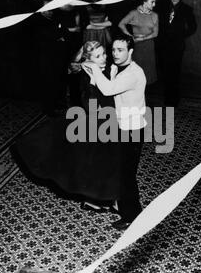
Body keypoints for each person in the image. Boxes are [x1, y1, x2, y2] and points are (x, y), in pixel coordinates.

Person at [13, 41, 122, 212]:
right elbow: (92, 107)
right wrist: (94, 83)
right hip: (98, 125)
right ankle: (100, 200)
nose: (105, 57)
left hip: (109, 122)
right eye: (98, 56)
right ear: (89, 59)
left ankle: (103, 199)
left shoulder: (106, 69)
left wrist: (113, 78)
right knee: (97, 165)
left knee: (102, 164)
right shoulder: (87, 77)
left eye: (104, 53)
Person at [82, 34, 147, 230]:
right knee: (122, 172)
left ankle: (133, 216)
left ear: (131, 51)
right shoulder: (120, 69)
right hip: (123, 127)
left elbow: (109, 90)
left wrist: (93, 68)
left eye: (120, 50)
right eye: (114, 50)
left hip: (132, 130)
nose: (115, 54)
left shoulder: (133, 73)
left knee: (127, 175)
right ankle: (122, 207)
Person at [156, 0, 197, 107]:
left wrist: (180, 35)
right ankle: (167, 98)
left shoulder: (187, 9)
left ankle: (173, 101)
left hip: (177, 47)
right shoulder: (160, 5)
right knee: (164, 72)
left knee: (174, 73)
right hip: (162, 45)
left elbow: (193, 27)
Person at [118, 0, 158, 85]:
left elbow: (155, 33)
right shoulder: (134, 13)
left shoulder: (154, 15)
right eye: (152, 2)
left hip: (149, 46)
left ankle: (145, 96)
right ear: (145, 1)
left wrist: (143, 39)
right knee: (137, 75)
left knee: (148, 76)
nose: (154, 4)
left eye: (155, 2)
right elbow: (121, 24)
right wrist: (130, 36)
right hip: (137, 46)